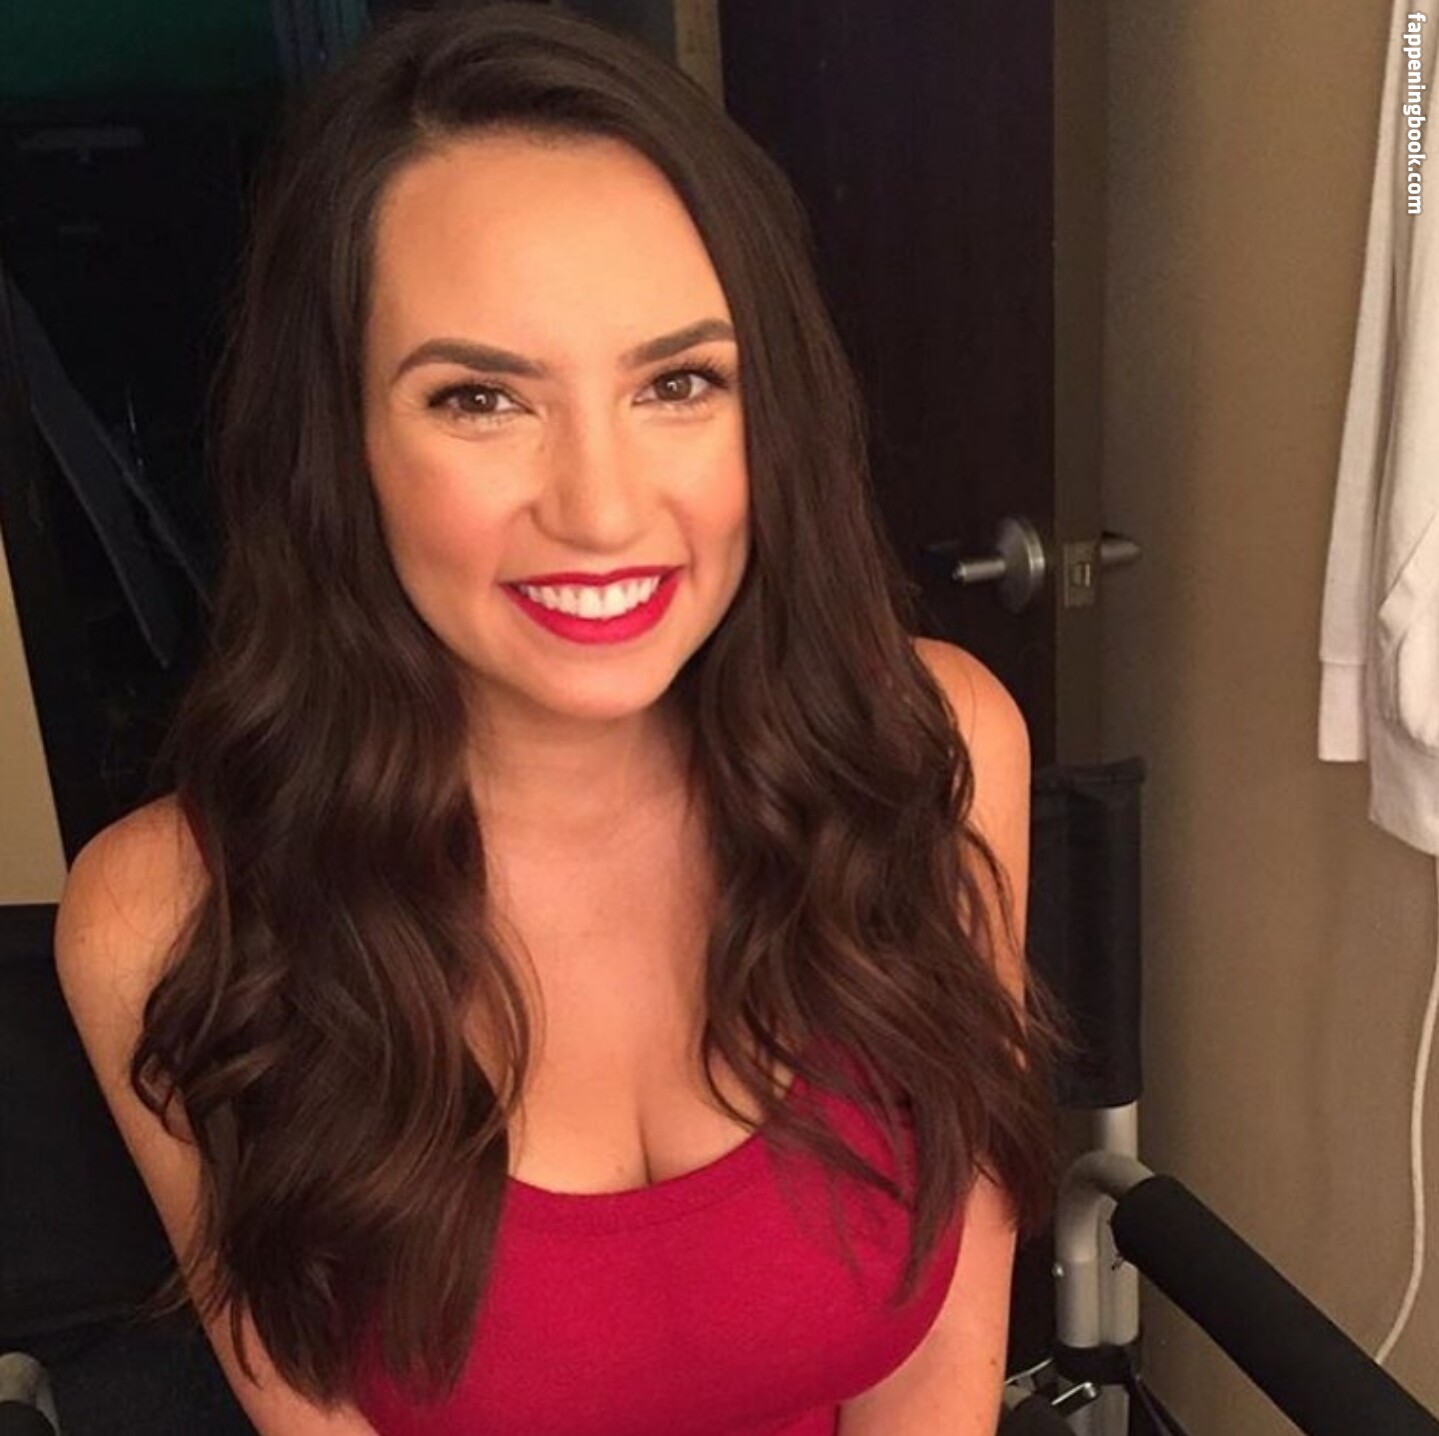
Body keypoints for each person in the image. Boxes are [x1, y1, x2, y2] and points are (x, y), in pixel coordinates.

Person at [52, 4, 1069, 1433]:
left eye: (679, 383)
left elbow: (936, 1386)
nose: (600, 509)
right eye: (479, 398)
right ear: (340, 446)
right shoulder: (164, 919)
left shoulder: (930, 753)